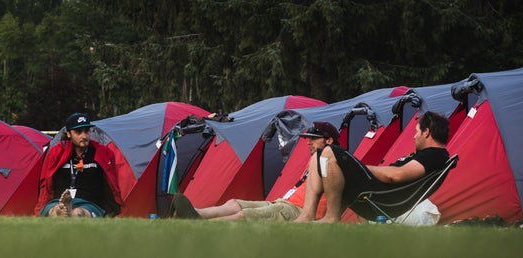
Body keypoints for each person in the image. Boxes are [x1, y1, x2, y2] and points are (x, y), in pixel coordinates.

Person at [294, 110, 449, 223]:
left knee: (328, 152)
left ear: (426, 132)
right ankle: (307, 215)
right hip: (378, 192)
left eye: (416, 132)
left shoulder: (434, 155)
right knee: (318, 155)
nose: (414, 136)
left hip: (381, 196)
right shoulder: (429, 155)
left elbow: (396, 175)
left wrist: (359, 167)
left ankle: (331, 217)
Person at [170, 121, 340, 221]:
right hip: (282, 203)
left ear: (329, 140)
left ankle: (201, 226)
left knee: (246, 215)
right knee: (234, 203)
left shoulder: (335, 163)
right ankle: (196, 214)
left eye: (313, 139)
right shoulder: (317, 157)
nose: (308, 142)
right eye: (307, 139)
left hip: (296, 211)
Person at [35, 113, 124, 217]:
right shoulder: (56, 154)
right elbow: (45, 183)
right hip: (58, 201)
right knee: (55, 210)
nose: (84, 136)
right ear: (68, 134)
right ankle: (62, 210)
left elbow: (112, 184)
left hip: (89, 203)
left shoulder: (103, 153)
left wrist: (113, 209)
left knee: (78, 212)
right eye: (78, 132)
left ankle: (67, 211)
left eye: (86, 131)